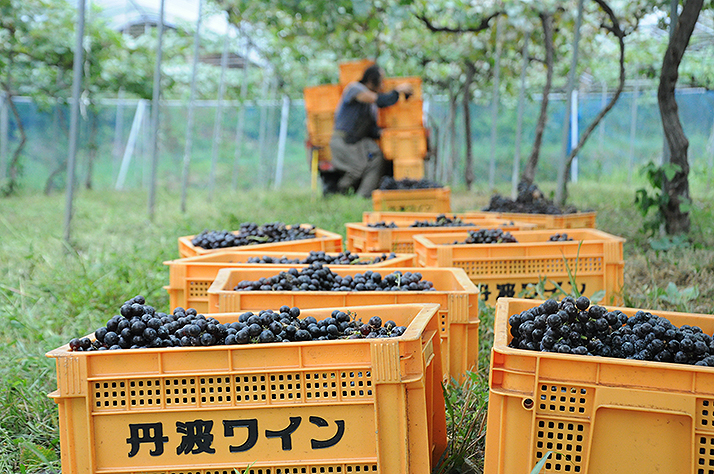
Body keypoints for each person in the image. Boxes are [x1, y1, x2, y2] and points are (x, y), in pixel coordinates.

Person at [329, 64, 414, 197]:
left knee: (377, 156)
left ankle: (364, 195)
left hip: (358, 142)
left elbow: (371, 130)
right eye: (381, 80)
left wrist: (388, 134)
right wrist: (398, 91)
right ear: (371, 79)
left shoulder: (371, 108)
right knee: (358, 168)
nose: (382, 85)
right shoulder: (355, 89)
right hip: (343, 141)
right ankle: (337, 192)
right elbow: (381, 100)